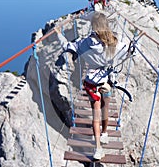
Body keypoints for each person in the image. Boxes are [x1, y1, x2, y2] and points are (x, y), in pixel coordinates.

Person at [55, 12, 128, 160]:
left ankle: (98, 149)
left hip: (92, 83)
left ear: (93, 26)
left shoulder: (85, 43)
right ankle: (105, 133)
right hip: (106, 81)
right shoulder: (114, 42)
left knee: (96, 114)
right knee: (105, 108)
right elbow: (129, 49)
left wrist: (57, 33)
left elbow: (67, 46)